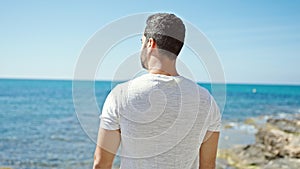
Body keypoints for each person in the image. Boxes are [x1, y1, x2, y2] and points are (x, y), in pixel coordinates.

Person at [93, 13, 221, 169]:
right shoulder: (206, 101)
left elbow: (101, 164)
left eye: (141, 42)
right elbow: (208, 165)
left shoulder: (120, 95)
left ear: (150, 44)